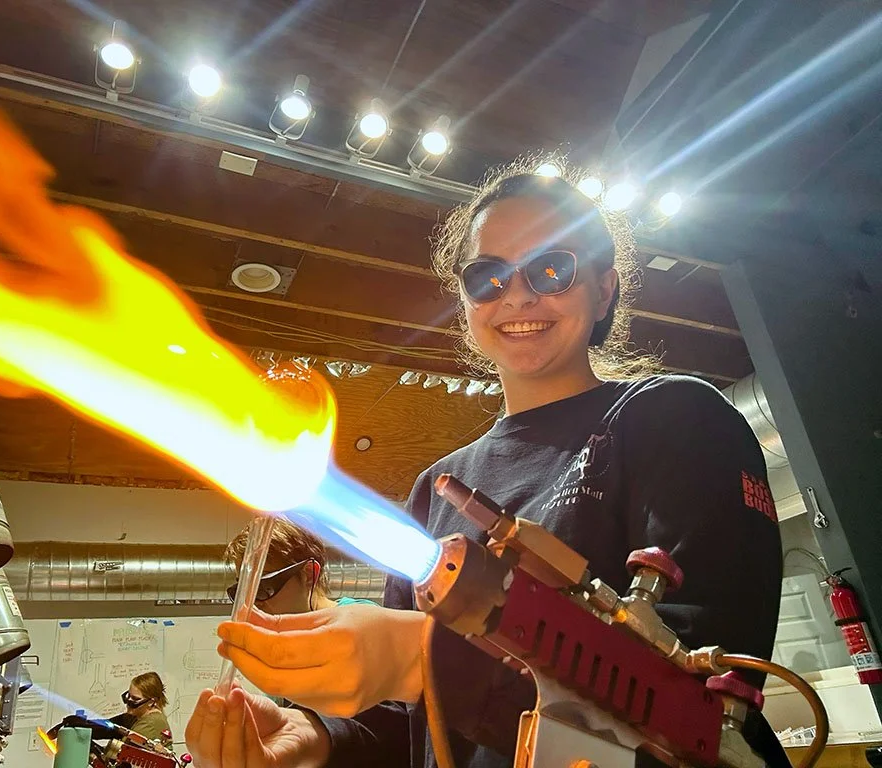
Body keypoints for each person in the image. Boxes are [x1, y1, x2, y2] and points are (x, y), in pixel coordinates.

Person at [185, 156, 786, 768]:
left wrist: (428, 657)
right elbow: (415, 731)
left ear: (604, 287)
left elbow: (703, 710)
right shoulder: (436, 490)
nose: (518, 294)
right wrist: (312, 739)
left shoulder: (675, 419)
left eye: (552, 269)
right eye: (488, 277)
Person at [223, 518, 378, 615]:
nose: (251, 604)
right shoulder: (282, 636)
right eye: (242, 591)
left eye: (263, 587)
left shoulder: (362, 621)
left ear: (309, 574)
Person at [111, 671, 173, 747]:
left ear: (151, 702)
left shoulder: (149, 724)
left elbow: (124, 750)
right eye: (129, 695)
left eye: (135, 698)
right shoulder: (142, 716)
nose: (128, 701)